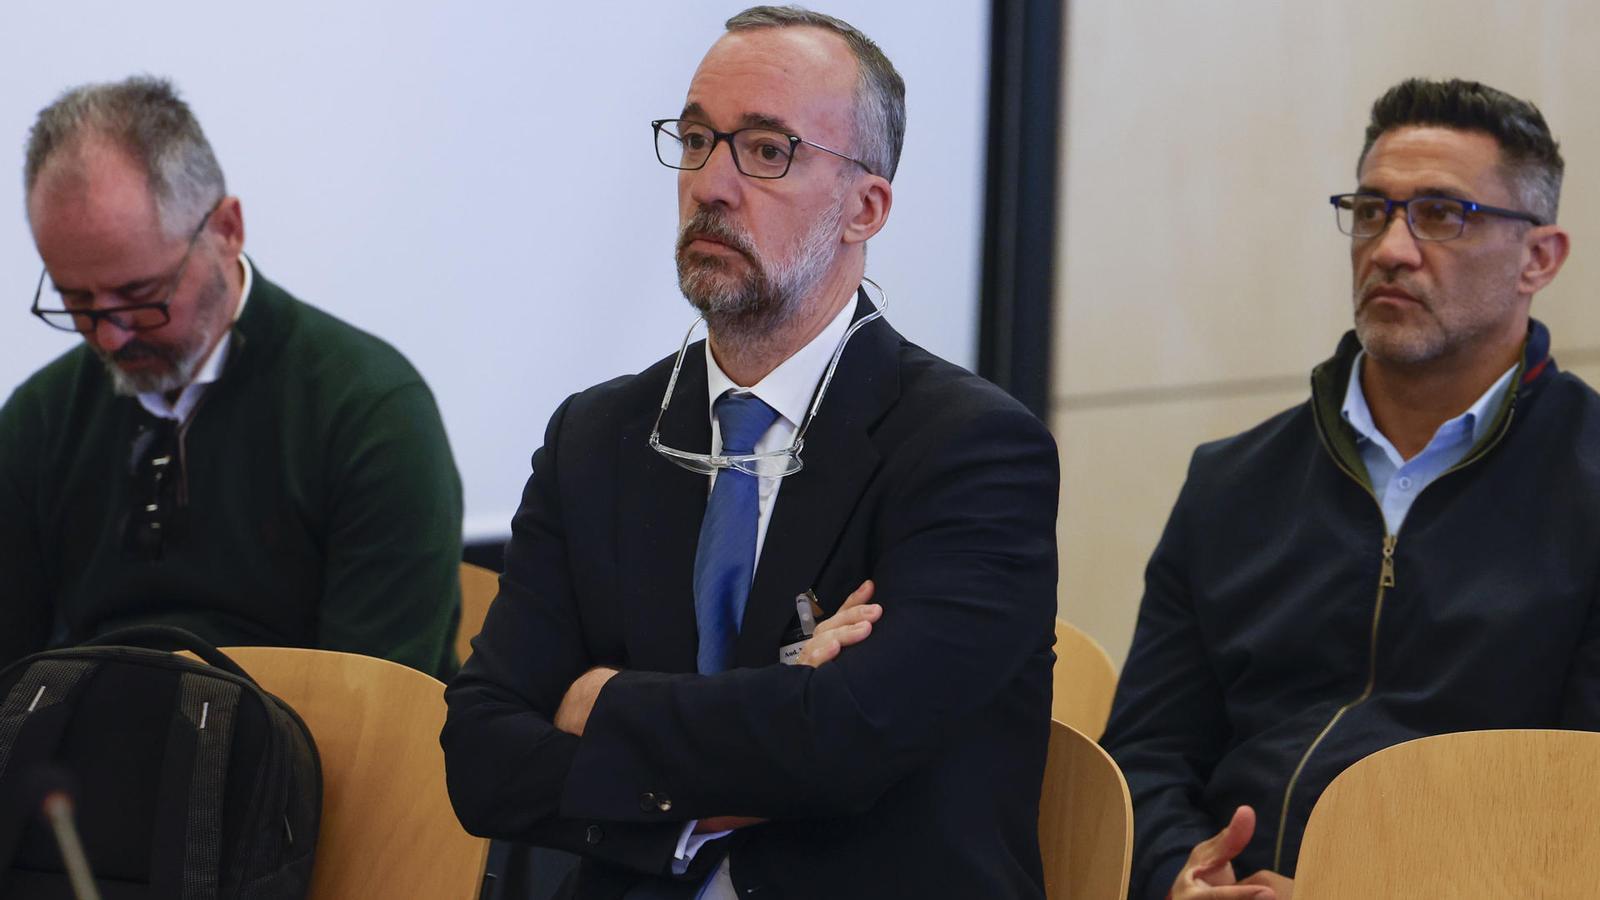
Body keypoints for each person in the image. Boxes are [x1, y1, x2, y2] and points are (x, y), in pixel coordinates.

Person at [441, 6, 1059, 898]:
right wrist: (774, 714)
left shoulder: (973, 450)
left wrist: (598, 703)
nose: (711, 184)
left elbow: (845, 744)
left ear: (865, 207)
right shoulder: (596, 437)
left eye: (766, 150)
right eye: (695, 140)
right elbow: (481, 754)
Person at [1102, 77, 1593, 900]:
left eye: (1442, 214)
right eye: (1371, 210)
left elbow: (1583, 800)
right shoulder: (1232, 482)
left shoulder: (1586, 482)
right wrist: (1181, 874)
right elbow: (1147, 753)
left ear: (1538, 258)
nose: (1392, 248)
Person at [0, 76, 463, 678]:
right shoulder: (40, 420)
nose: (110, 336)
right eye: (76, 300)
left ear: (226, 229)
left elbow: (378, 715)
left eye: (141, 294)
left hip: (308, 760)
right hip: (83, 764)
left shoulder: (370, 413)